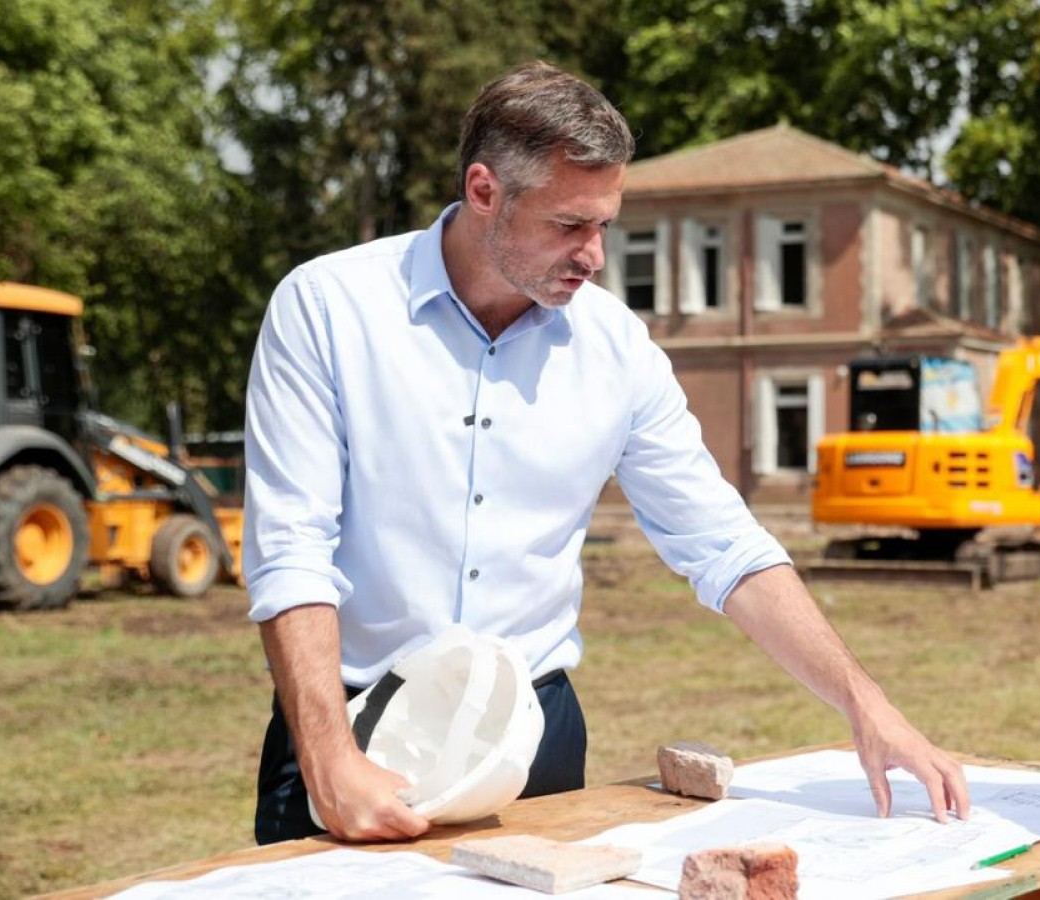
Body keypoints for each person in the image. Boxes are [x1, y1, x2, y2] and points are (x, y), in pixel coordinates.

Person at [241, 60, 968, 846]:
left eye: (604, 227)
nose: (594, 256)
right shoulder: (325, 309)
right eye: (568, 225)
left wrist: (867, 704)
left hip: (531, 741)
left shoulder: (617, 347)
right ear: (484, 192)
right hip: (349, 725)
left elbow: (722, 543)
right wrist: (326, 755)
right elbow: (291, 548)